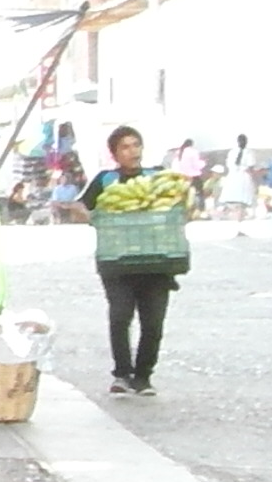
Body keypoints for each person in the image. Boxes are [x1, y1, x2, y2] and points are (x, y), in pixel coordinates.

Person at [82, 125, 194, 398]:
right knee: (120, 316)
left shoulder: (158, 177)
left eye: (136, 145)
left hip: (156, 261)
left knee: (153, 322)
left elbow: (181, 205)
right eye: (125, 147)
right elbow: (84, 205)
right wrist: (93, 218)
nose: (132, 151)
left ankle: (143, 376)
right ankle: (121, 374)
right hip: (118, 261)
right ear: (114, 154)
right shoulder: (106, 180)